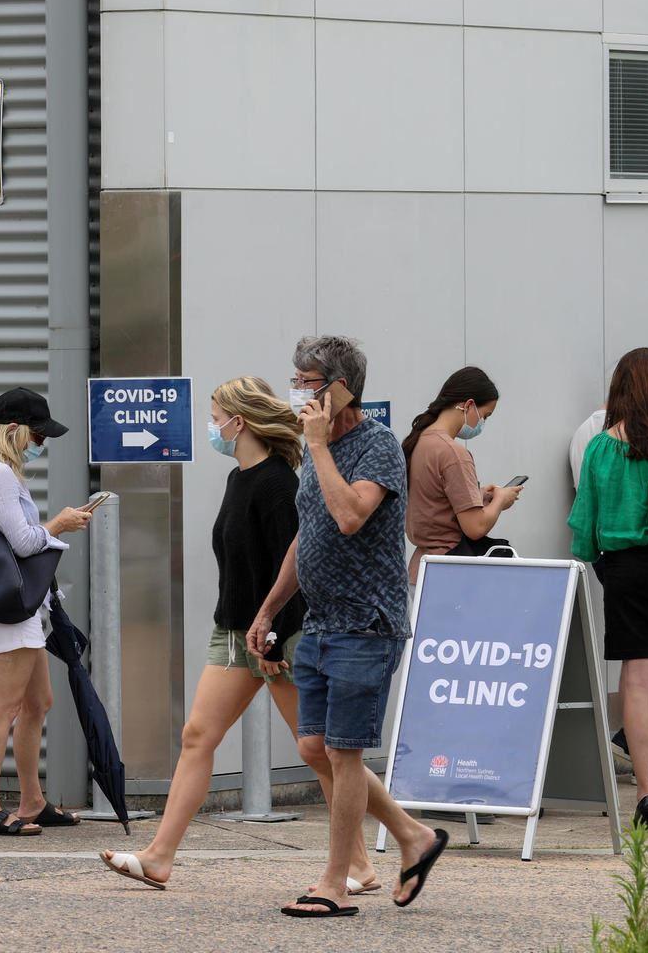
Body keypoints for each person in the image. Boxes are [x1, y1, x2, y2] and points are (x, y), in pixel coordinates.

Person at [100, 377, 376, 892]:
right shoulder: (237, 478)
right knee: (197, 737)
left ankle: (366, 858)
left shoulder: (278, 484)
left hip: (278, 637)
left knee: (319, 750)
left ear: (238, 421)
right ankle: (159, 856)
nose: (211, 427)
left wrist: (273, 640)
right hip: (232, 631)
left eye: (215, 416)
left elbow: (292, 570)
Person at [248, 336, 446, 919]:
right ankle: (415, 837)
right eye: (297, 379)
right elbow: (309, 534)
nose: (299, 391)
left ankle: (334, 884)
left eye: (310, 381)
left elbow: (350, 515)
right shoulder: (316, 452)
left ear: (341, 388)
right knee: (316, 747)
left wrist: (317, 445)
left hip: (368, 621)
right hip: (321, 619)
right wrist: (267, 609)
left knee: (343, 752)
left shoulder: (378, 445)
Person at [0, 387, 90, 836]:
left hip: (20, 604)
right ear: (14, 431)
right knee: (6, 706)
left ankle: (32, 801)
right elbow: (24, 543)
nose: (41, 445)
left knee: (38, 702)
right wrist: (60, 523)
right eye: (38, 437)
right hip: (5, 606)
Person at [569, 347, 648, 830]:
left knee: (635, 683)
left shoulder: (599, 447)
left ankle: (645, 791)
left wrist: (593, 562)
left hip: (621, 570)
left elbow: (583, 525)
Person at [401, 366, 523, 585]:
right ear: (468, 405)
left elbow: (434, 503)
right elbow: (475, 527)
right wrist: (500, 501)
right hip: (450, 574)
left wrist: (477, 496)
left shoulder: (420, 441)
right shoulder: (453, 453)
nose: (483, 422)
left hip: (420, 570)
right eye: (486, 415)